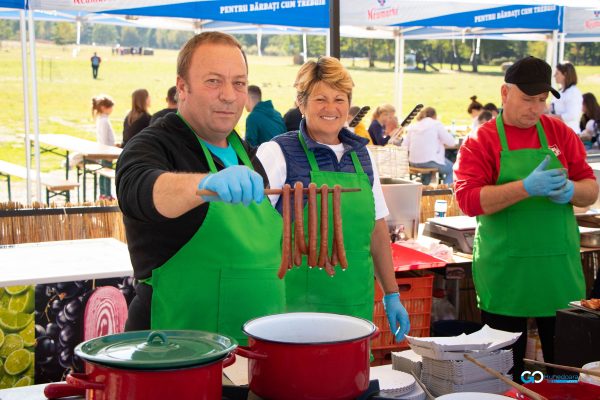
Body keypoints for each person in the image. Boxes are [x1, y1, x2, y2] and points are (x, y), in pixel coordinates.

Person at [115, 32, 284, 344]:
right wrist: (204, 185)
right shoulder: (154, 144)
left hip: (253, 351)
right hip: (176, 354)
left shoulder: (247, 155)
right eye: (213, 81)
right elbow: (138, 189)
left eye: (238, 83)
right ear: (182, 87)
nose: (229, 95)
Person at [454, 56, 599, 381]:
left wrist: (572, 190)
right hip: (506, 274)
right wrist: (524, 188)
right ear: (505, 94)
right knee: (506, 376)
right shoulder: (482, 141)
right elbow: (468, 200)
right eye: (526, 99)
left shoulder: (560, 133)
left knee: (569, 373)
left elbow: (591, 190)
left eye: (541, 100)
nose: (535, 108)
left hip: (558, 272)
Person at [257, 56, 410, 342]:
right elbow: (251, 229)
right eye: (320, 99)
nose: (331, 108)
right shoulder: (276, 152)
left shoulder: (363, 156)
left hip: (354, 306)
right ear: (301, 103)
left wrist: (391, 293)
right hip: (293, 313)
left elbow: (377, 230)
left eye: (339, 99)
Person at [402, 107, 455, 185]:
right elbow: (451, 142)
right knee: (452, 169)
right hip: (430, 161)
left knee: (427, 164)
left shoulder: (413, 126)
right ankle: (447, 192)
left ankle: (425, 189)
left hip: (413, 162)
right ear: (434, 116)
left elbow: (404, 145)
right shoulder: (436, 124)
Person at [92, 94, 116, 200]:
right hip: (106, 151)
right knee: (106, 172)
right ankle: (107, 194)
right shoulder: (104, 121)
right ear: (104, 108)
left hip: (103, 150)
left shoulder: (101, 119)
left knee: (103, 172)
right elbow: (105, 138)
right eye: (110, 107)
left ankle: (103, 193)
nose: (111, 110)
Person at [550, 62, 583, 133]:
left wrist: (549, 117)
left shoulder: (573, 92)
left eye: (557, 73)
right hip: (559, 132)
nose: (554, 76)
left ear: (565, 74)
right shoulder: (560, 92)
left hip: (570, 134)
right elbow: (551, 109)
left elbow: (572, 115)